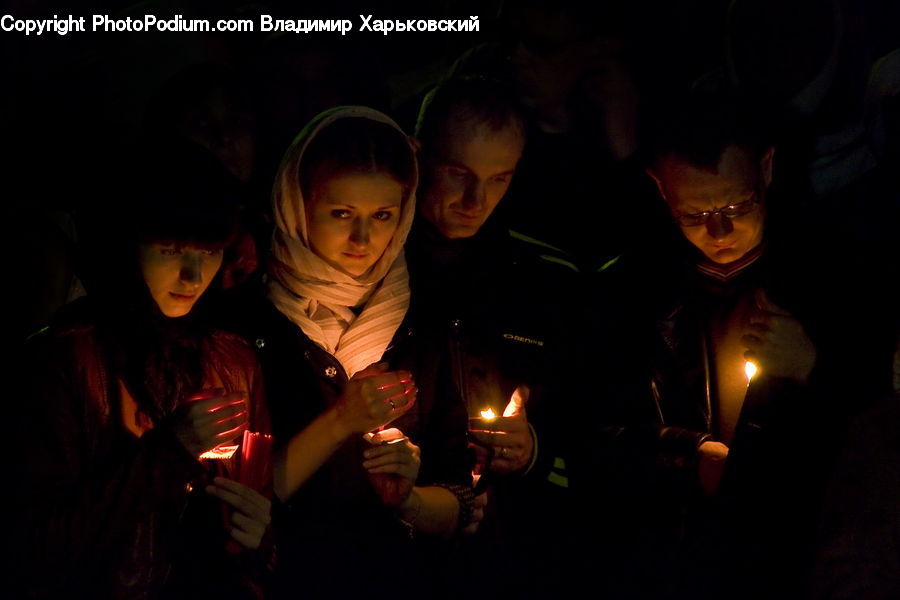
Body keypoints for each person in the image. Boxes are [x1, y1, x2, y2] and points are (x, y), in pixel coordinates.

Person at [590, 91, 895, 598]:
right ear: (660, 190)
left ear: (767, 168)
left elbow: (877, 425)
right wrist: (687, 456)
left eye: (736, 204)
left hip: (794, 558)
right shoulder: (630, 294)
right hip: (673, 558)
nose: (720, 230)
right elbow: (591, 427)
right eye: (694, 214)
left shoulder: (838, 279)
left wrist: (813, 368)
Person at [224, 107, 474, 598]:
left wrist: (408, 500)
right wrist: (341, 419)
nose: (364, 239)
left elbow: (462, 498)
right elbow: (234, 499)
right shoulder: (246, 318)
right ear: (298, 204)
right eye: (342, 214)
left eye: (383, 216)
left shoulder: (423, 317)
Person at [12, 143, 273, 599]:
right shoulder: (65, 361)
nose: (193, 276)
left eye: (209, 253)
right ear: (126, 246)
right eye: (171, 250)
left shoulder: (234, 360)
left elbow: (258, 519)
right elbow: (29, 549)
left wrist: (255, 538)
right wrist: (168, 453)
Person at [408, 76, 583, 599]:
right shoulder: (369, 265)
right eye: (457, 174)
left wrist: (535, 453)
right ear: (417, 157)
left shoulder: (549, 282)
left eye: (499, 178)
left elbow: (599, 438)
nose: (475, 200)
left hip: (514, 560)